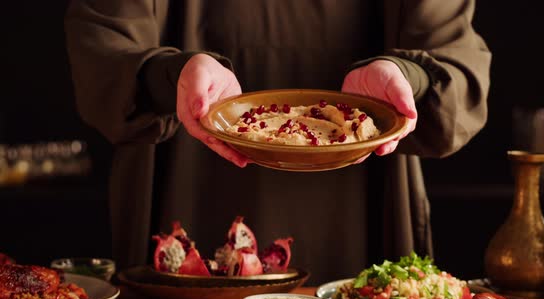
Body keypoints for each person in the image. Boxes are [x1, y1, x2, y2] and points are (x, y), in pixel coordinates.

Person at [64, 0, 490, 284]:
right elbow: (103, 49)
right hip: (183, 193)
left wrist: (406, 79)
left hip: (365, 215)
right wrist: (174, 77)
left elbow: (458, 67)